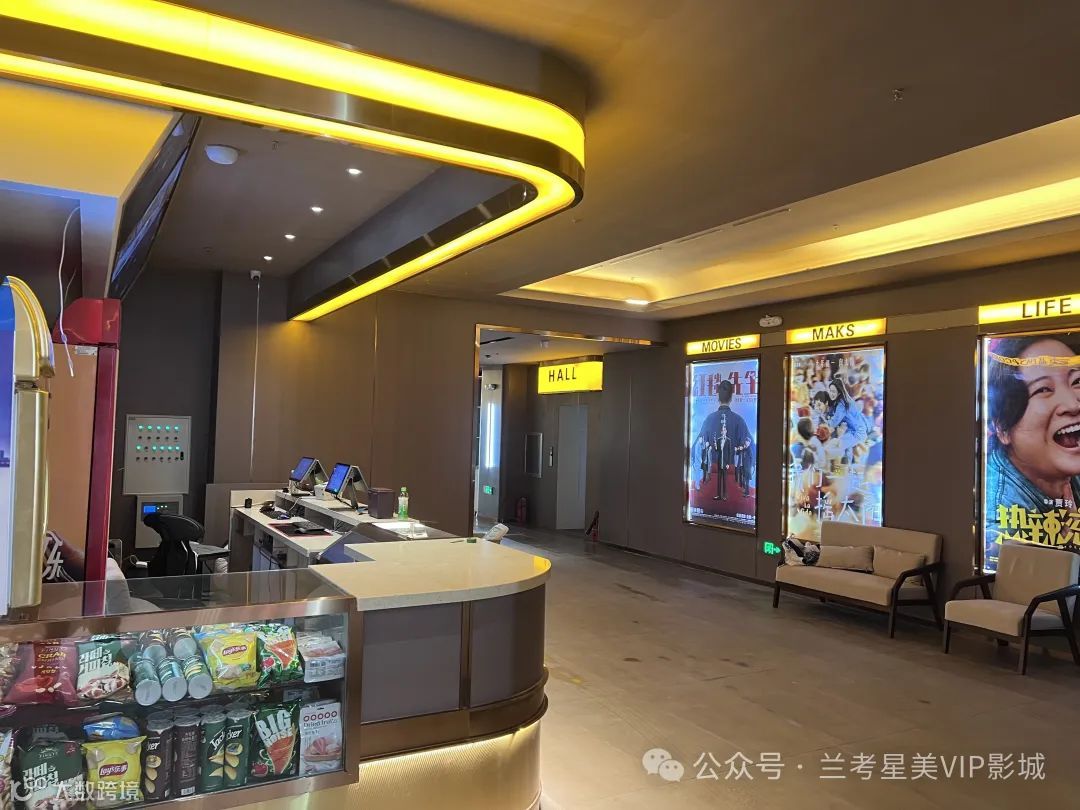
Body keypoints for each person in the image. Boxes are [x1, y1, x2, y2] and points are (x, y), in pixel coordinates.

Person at [985, 336, 1080, 557]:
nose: (1072, 404)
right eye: (1043, 389)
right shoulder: (1000, 518)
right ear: (1002, 428)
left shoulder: (1064, 464)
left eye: (1077, 381)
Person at [697, 379, 753, 499]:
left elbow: (699, 445)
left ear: (718, 396)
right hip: (733, 477)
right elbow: (749, 446)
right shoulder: (739, 421)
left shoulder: (708, 419)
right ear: (731, 397)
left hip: (711, 476)